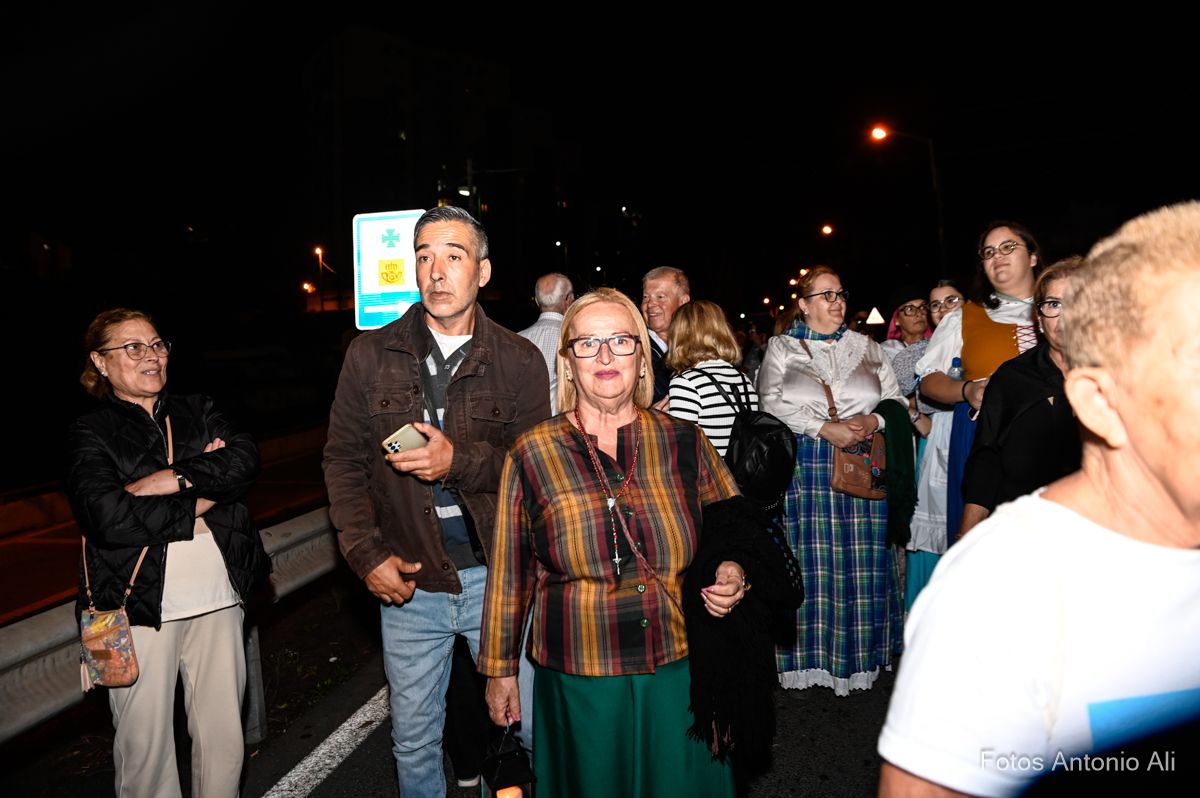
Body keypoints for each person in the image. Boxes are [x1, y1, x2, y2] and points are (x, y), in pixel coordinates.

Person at [878, 202, 1200, 797]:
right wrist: (971, 529)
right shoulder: (1007, 586)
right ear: (1098, 398)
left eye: (1009, 247)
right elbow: (979, 446)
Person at [477, 288, 746, 797]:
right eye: (588, 344)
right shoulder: (532, 453)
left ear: (642, 359)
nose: (605, 356)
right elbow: (510, 574)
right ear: (568, 362)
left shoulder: (685, 440)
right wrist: (499, 671)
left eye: (621, 341)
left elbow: (736, 530)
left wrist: (733, 570)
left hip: (680, 668)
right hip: (580, 676)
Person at [322, 206, 550, 797]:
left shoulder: (519, 359)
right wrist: (365, 554)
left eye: (453, 255)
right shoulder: (369, 355)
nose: (436, 271)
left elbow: (535, 470)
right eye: (424, 256)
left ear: (483, 271)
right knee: (414, 740)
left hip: (498, 579)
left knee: (526, 728)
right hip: (412, 581)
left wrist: (459, 462)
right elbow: (343, 461)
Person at [67, 308, 269, 798]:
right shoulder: (89, 432)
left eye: (157, 345)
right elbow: (109, 518)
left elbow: (244, 460)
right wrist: (204, 492)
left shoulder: (198, 408)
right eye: (133, 347)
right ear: (100, 361)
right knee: (145, 749)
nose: (151, 356)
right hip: (135, 608)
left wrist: (170, 479)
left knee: (224, 738)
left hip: (219, 595)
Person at [758, 266, 906, 694]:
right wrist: (823, 428)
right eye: (826, 295)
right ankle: (805, 659)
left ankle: (858, 658)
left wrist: (873, 420)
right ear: (804, 305)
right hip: (807, 465)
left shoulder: (868, 347)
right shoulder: (783, 347)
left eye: (840, 293)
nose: (837, 301)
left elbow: (896, 402)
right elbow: (769, 402)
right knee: (810, 562)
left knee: (863, 564)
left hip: (862, 462)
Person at [916, 221, 1041, 542]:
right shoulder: (965, 317)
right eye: (989, 252)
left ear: (1033, 257)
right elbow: (928, 382)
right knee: (988, 543)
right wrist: (966, 389)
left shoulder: (1061, 309)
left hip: (1056, 437)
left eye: (1008, 247)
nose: (998, 256)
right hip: (983, 438)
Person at [957, 258, 1084, 538]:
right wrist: (967, 535)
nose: (1065, 316)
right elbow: (986, 461)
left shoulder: (1118, 376)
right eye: (1053, 304)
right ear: (1039, 318)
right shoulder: (1013, 378)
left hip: (1098, 530)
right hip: (1023, 533)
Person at [904, 280, 964, 610]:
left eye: (951, 300)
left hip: (971, 433)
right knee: (934, 536)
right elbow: (900, 385)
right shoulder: (922, 352)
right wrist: (912, 411)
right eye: (936, 305)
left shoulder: (979, 339)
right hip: (938, 437)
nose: (943, 309)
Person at [665, 300, 759, 457]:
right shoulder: (744, 380)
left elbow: (681, 453)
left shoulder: (686, 383)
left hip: (708, 473)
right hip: (741, 473)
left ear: (679, 335)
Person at [519, 272, 575, 414]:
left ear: (537, 302)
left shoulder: (516, 340)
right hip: (565, 421)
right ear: (569, 299)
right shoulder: (576, 340)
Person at [640, 266, 691, 403]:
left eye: (660, 297)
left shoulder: (699, 349)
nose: (650, 304)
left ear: (683, 302)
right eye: (645, 297)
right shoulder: (637, 350)